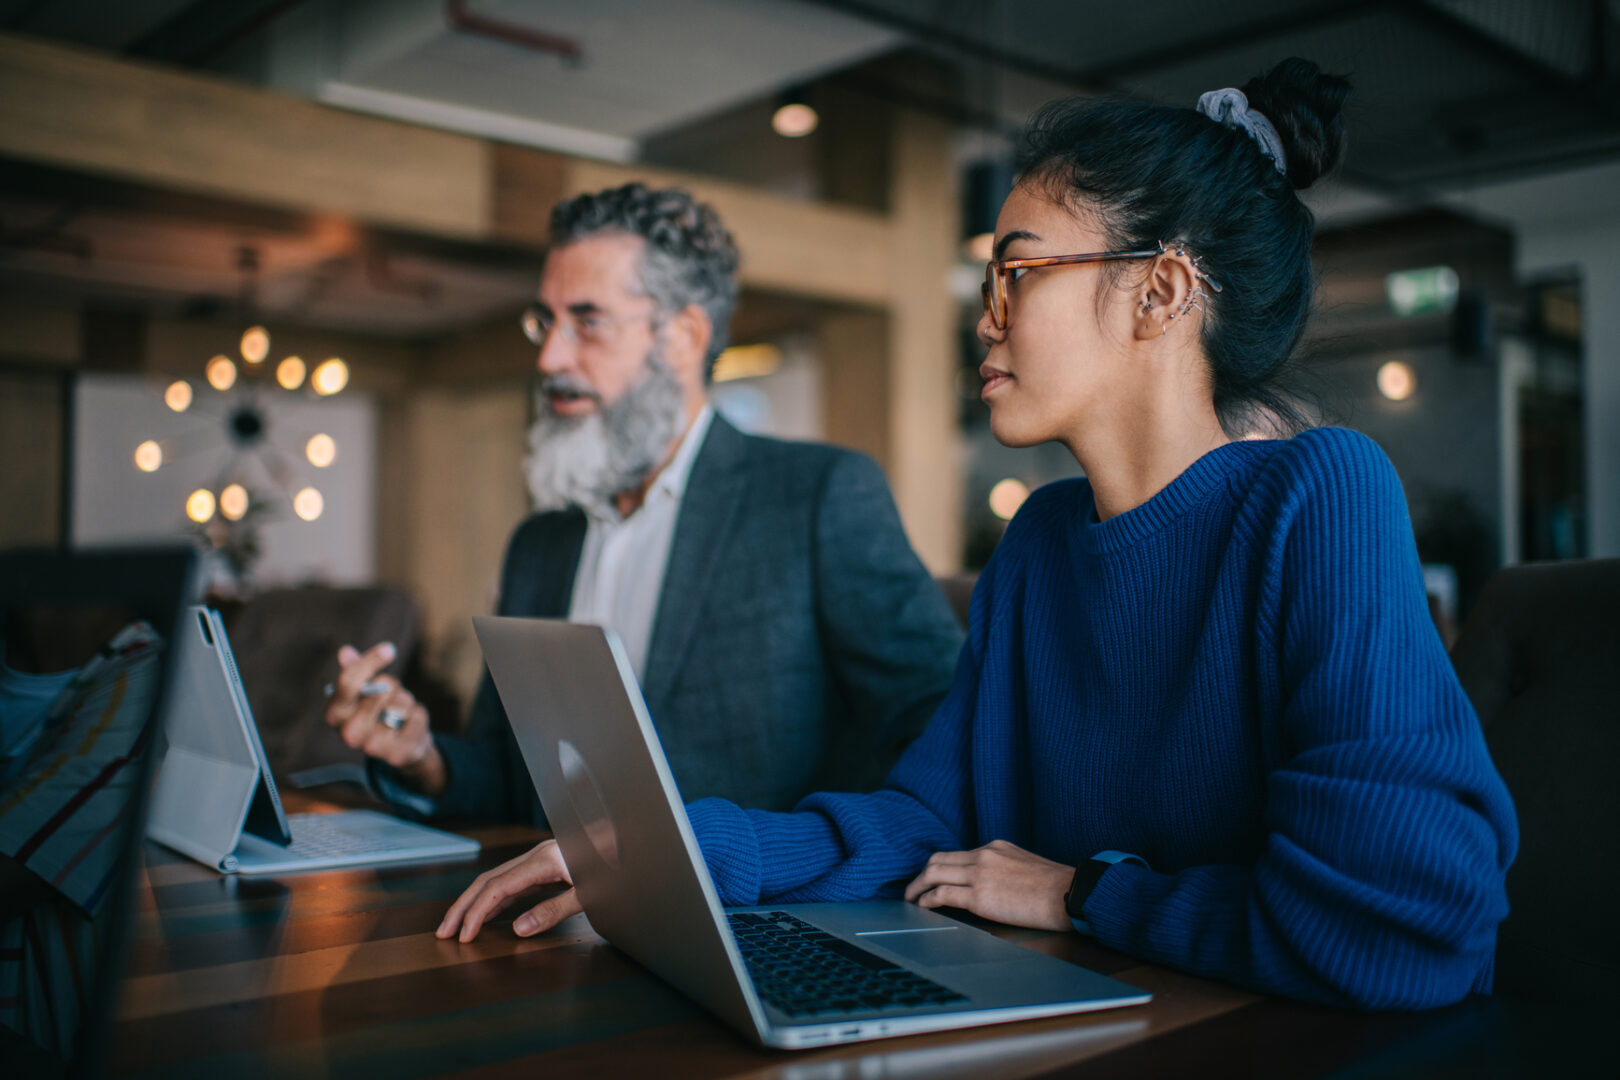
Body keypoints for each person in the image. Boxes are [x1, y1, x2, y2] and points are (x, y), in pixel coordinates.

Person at [435, 61, 1519, 1010]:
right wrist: (675, 853)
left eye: (1018, 271)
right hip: (1102, 1019)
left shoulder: (1318, 496)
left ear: (1164, 292)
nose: (985, 315)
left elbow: (1403, 928)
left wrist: (1082, 892)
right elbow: (924, 821)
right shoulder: (1043, 541)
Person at [325, 182, 964, 824]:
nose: (550, 355)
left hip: (746, 911)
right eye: (545, 321)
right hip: (538, 907)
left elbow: (939, 728)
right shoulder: (541, 543)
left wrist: (822, 860)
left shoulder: (817, 497)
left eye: (588, 320)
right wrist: (418, 756)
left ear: (683, 335)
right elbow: (505, 775)